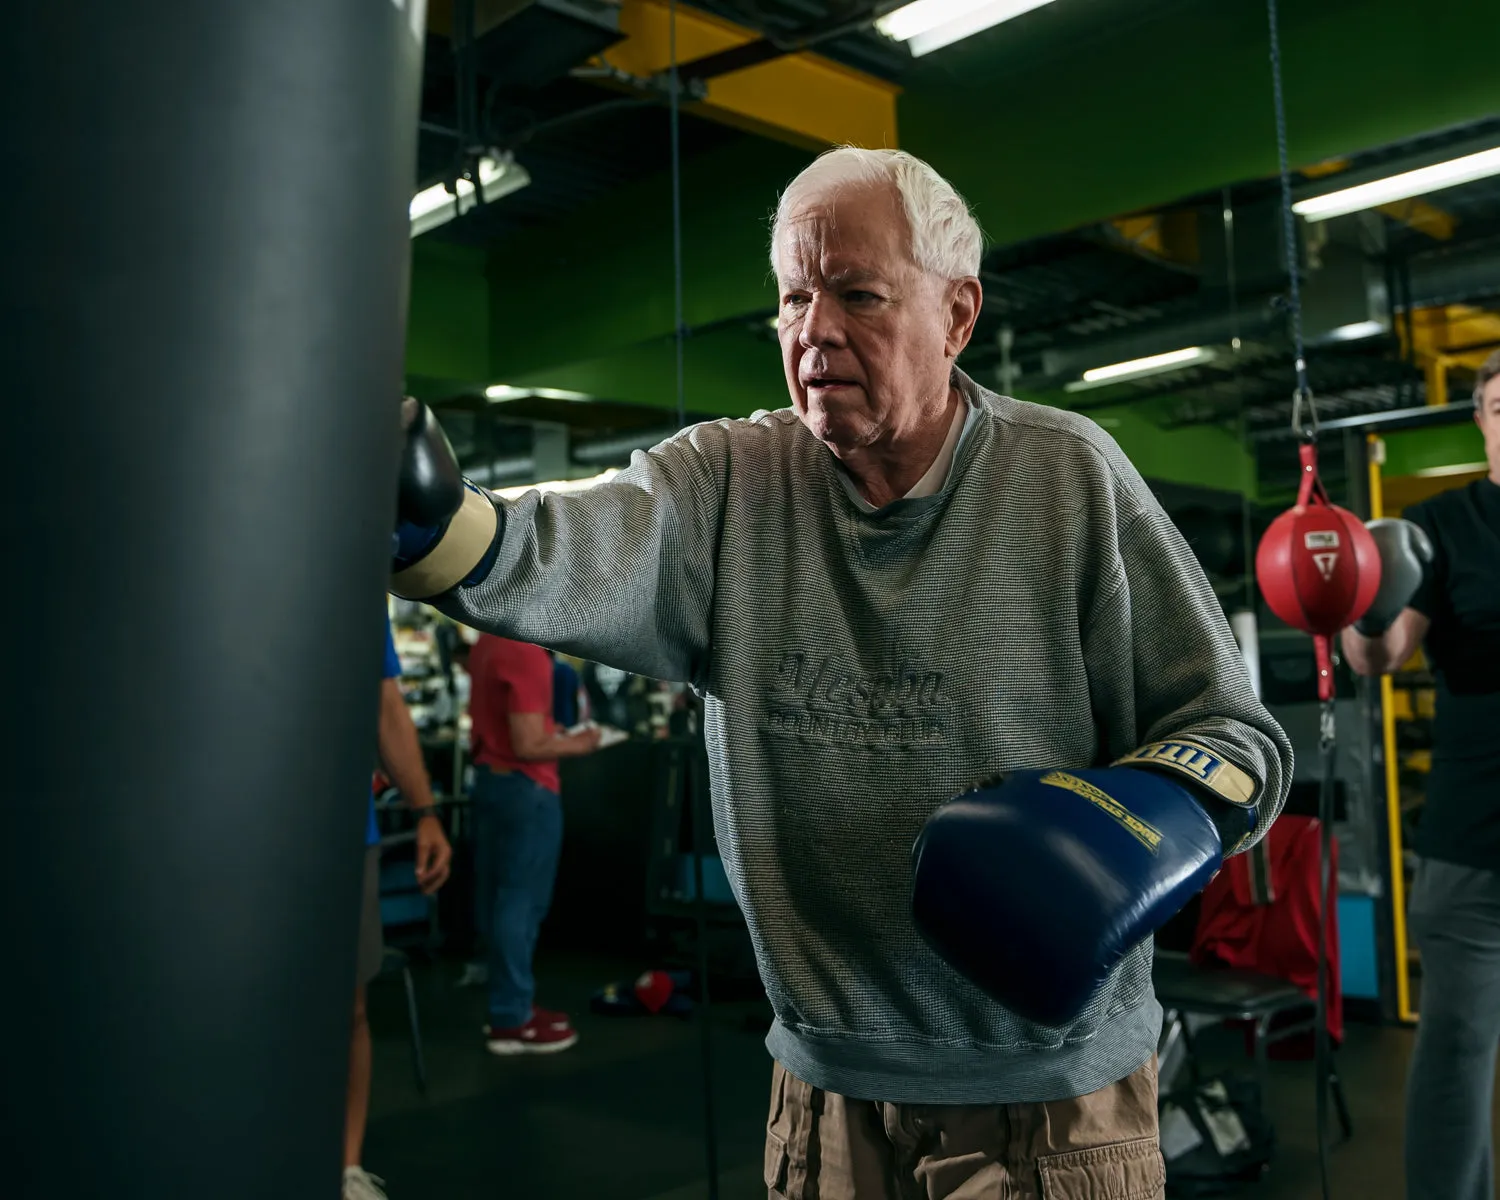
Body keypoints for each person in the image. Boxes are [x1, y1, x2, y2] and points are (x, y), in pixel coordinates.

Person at [390, 148, 1292, 1196]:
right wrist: (437, 528)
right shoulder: (730, 482)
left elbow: (1238, 736)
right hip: (820, 1091)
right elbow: (566, 548)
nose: (814, 331)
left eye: (857, 295)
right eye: (791, 299)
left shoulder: (1068, 478)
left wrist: (1144, 822)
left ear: (957, 317)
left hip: (1048, 1100)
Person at [1342, 348, 1500, 1200]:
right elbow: (1380, 654)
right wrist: (1363, 603)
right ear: (1481, 421)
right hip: (1474, 841)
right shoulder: (1444, 525)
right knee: (1457, 1053)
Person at [343, 618, 453, 1200]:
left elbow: (386, 704)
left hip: (344, 835)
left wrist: (425, 811)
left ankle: (345, 1168)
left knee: (349, 1009)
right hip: (240, 835)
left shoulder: (354, 587)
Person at [467, 633, 600, 1053]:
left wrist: (549, 730)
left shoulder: (486, 643)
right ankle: (511, 1018)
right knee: (521, 903)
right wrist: (582, 742)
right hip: (527, 789)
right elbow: (528, 744)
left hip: (490, 782)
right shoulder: (524, 652)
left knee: (500, 899)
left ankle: (513, 1004)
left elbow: (517, 725)